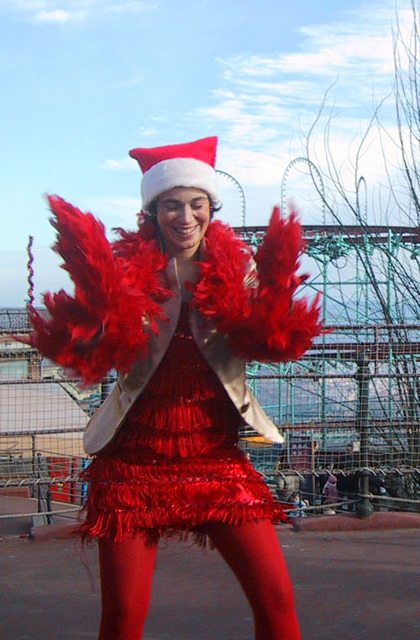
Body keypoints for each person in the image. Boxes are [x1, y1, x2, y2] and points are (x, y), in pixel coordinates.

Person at [28, 136, 323, 640]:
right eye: (171, 205)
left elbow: (268, 334)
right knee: (122, 617)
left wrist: (277, 327)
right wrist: (85, 333)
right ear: (152, 211)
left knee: (277, 600)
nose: (184, 217)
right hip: (132, 464)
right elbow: (90, 342)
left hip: (215, 456)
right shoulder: (121, 272)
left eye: (195, 204)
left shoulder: (241, 269)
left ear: (211, 208)